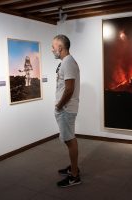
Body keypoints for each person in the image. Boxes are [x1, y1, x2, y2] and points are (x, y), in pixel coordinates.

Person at [52, 34, 81, 187]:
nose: (52, 50)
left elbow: (69, 89)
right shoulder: (66, 62)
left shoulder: (68, 62)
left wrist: (58, 105)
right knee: (69, 138)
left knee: (70, 140)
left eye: (53, 46)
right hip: (65, 108)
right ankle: (73, 167)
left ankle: (74, 176)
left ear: (60, 48)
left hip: (66, 109)